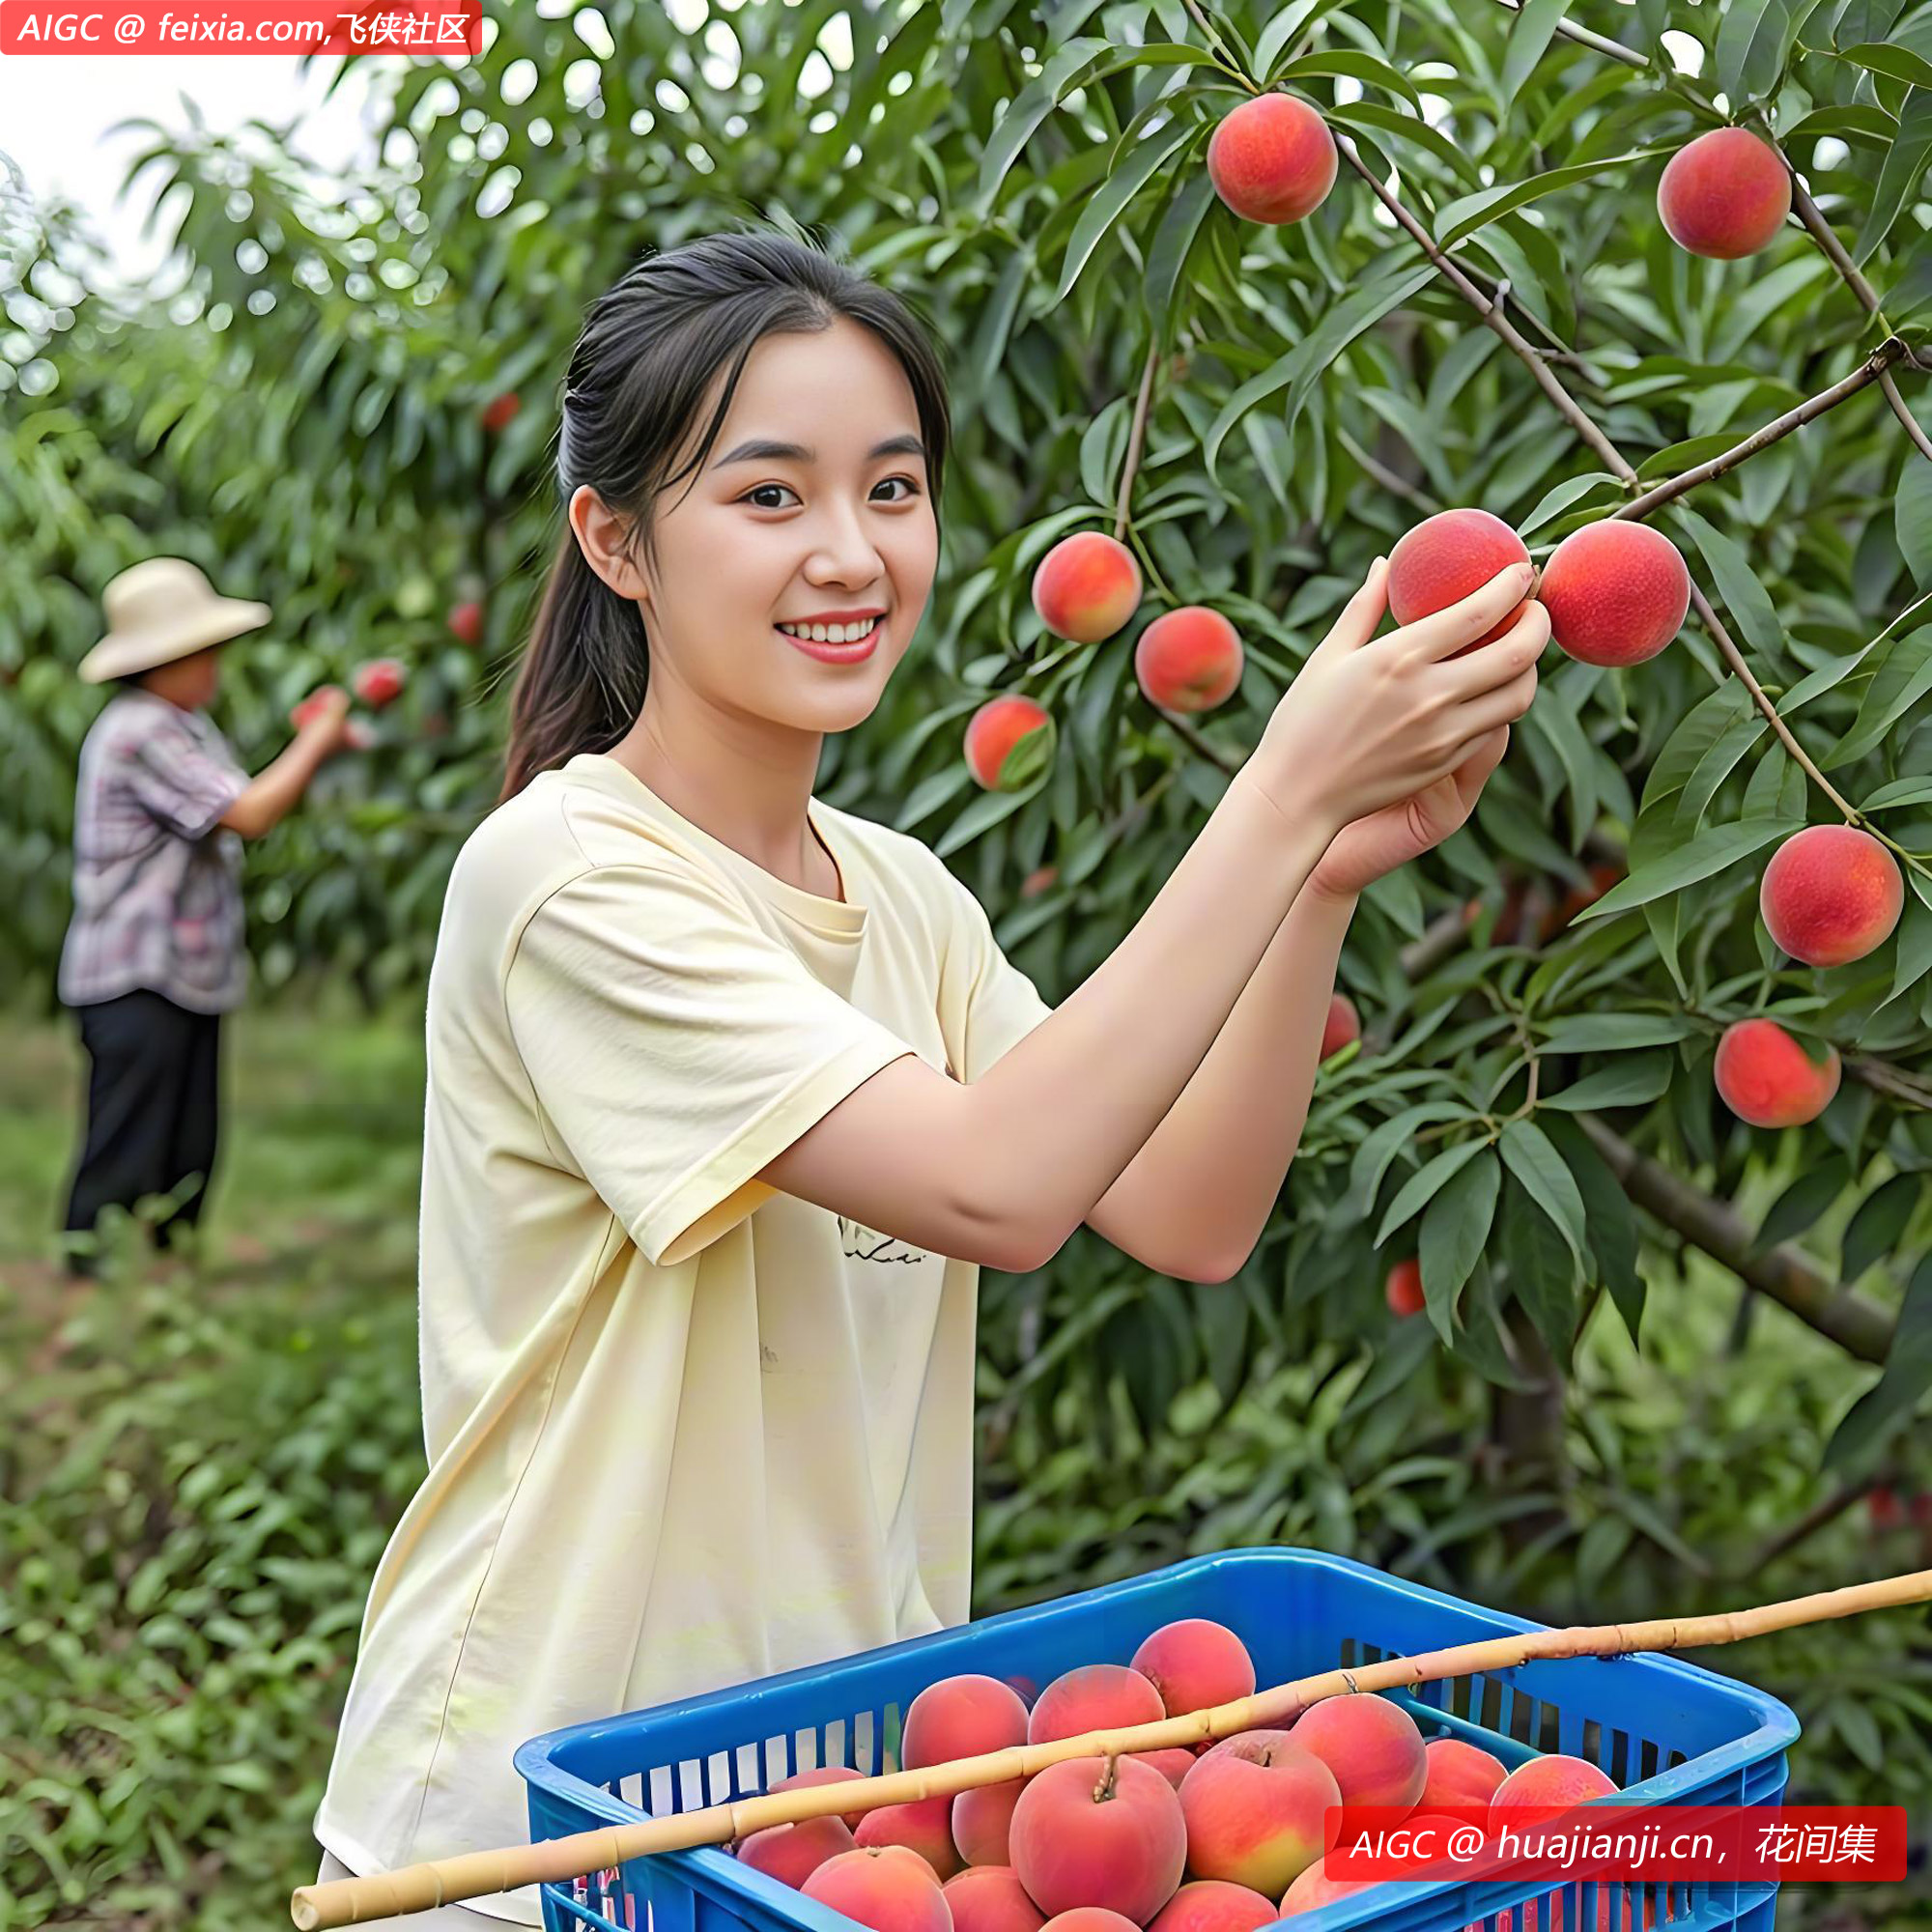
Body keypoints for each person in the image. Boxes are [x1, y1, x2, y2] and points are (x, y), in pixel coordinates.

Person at [306, 227, 1545, 1929]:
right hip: (545, 1825)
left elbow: (1184, 1209)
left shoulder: (901, 895)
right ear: (616, 541)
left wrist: (1320, 866)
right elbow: (995, 1187)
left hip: (826, 1827)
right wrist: (1275, 788)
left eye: (892, 489)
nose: (851, 553)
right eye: (769, 497)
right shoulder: (567, 880)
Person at [57, 556, 355, 1281]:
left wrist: (311, 742)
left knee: (187, 1133)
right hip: (134, 969)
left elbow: (234, 797)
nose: (216, 664)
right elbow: (249, 812)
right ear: (164, 660)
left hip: (178, 970)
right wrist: (320, 735)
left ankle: (165, 1267)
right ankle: (86, 1268)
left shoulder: (182, 727)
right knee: (128, 1132)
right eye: (203, 651)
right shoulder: (140, 731)